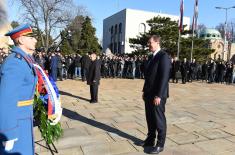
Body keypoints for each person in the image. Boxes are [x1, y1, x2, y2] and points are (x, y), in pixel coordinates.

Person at [0, 24, 37, 154]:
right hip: (16, 122)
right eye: (31, 37)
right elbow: (6, 100)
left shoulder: (24, 60)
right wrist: (8, 133)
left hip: (24, 118)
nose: (35, 40)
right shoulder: (15, 62)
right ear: (21, 40)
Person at [141, 35, 171, 154]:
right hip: (149, 93)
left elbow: (164, 77)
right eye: (148, 43)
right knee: (150, 117)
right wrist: (144, 91)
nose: (148, 45)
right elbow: (148, 77)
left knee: (158, 118)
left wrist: (159, 95)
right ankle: (150, 139)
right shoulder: (150, 57)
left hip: (158, 94)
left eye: (150, 43)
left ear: (157, 42)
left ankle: (160, 143)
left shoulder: (163, 56)